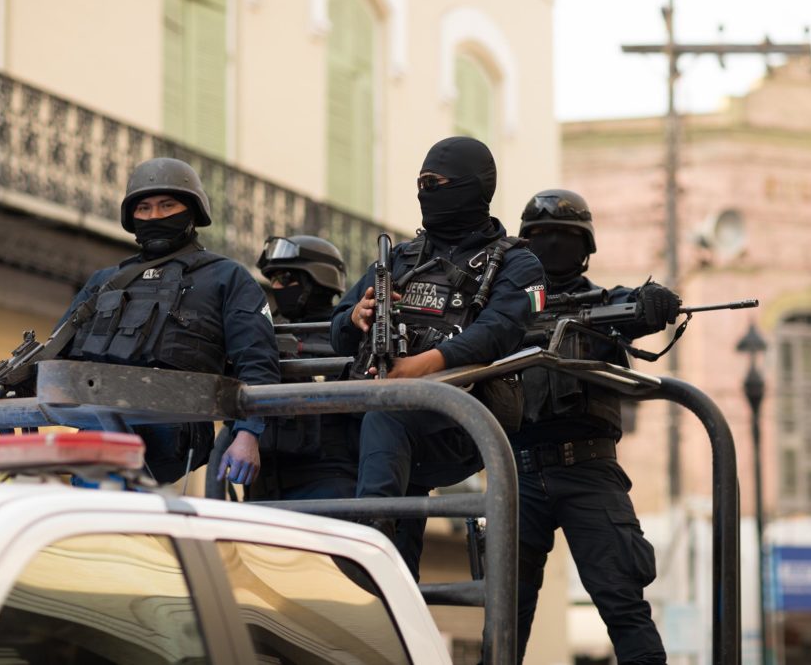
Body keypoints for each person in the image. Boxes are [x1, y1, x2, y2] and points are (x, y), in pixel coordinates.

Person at [330, 136, 546, 575]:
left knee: (388, 417)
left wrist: (421, 369)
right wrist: (357, 316)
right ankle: (384, 589)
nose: (426, 191)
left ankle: (367, 548)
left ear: (472, 186)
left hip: (464, 419)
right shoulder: (401, 259)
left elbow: (499, 331)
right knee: (314, 426)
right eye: (421, 182)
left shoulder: (520, 266)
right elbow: (335, 334)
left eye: (437, 182)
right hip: (384, 422)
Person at [512, 188, 675, 664]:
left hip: (588, 470)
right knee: (504, 612)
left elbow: (634, 305)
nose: (553, 246)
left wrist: (652, 302)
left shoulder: (605, 306)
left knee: (624, 606)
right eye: (541, 237)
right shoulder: (507, 310)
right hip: (516, 471)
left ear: (584, 247)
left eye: (563, 237)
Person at [56, 157, 280, 485]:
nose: (155, 216)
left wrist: (249, 435)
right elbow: (58, 352)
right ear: (131, 217)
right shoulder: (105, 281)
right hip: (98, 426)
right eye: (144, 208)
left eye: (167, 205)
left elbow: (258, 362)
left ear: (192, 211)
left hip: (174, 433)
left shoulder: (226, 276)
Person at [248, 235, 359, 500]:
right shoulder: (267, 333)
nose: (276, 286)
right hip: (265, 482)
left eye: (286, 278)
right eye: (273, 279)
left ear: (318, 278)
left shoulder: (350, 334)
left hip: (329, 481)